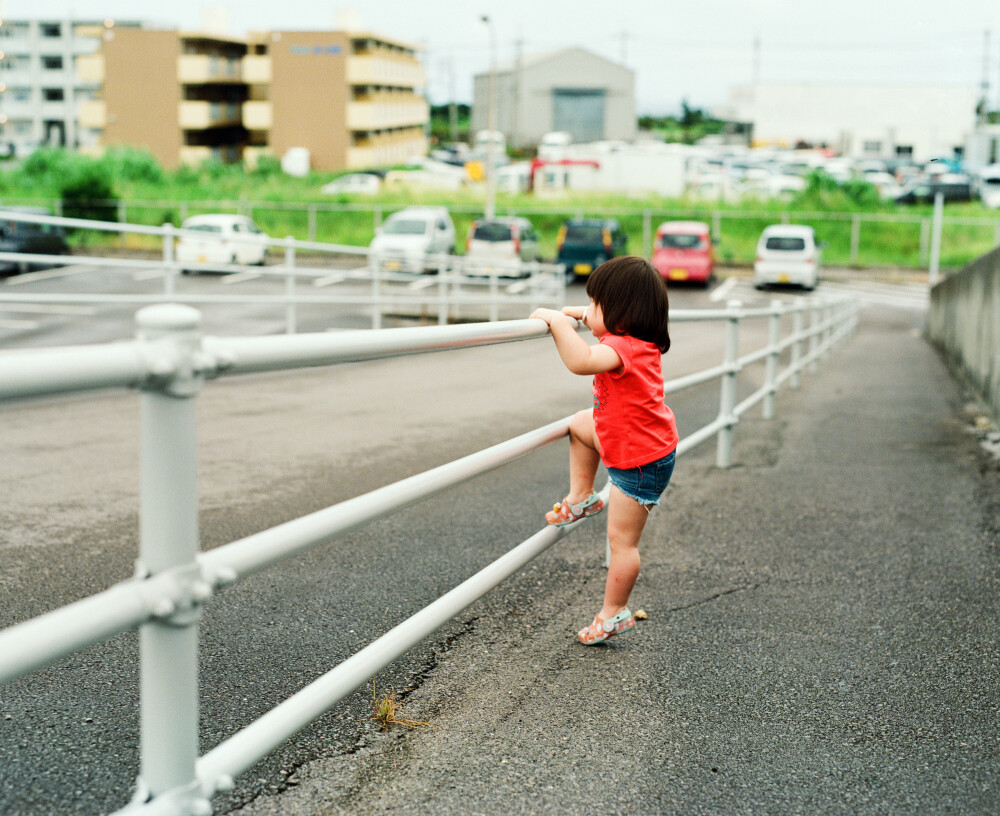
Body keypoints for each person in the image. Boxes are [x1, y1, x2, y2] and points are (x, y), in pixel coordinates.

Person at [529, 256, 678, 645]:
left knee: (622, 543)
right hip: (631, 442)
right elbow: (601, 325)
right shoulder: (635, 339)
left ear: (620, 315)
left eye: (595, 304)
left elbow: (580, 361)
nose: (588, 311)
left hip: (639, 462)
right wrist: (583, 313)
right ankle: (582, 497)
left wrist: (560, 322)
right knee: (581, 424)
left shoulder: (621, 350)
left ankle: (614, 612)